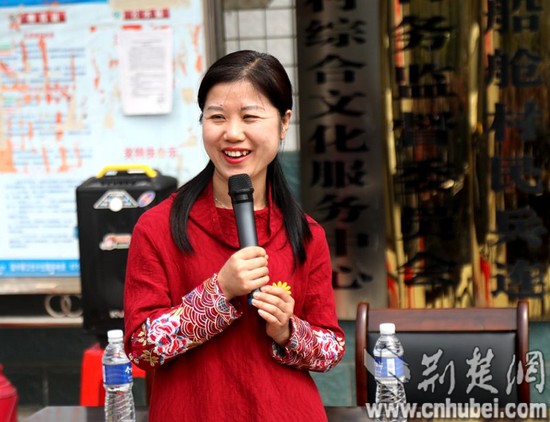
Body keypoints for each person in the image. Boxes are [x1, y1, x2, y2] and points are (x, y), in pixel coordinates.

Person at [123, 50, 346, 422]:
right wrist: (219, 292)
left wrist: (287, 330)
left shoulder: (306, 234)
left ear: (284, 122)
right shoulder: (157, 227)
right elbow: (141, 348)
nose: (232, 133)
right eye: (217, 117)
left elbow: (331, 350)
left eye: (250, 116)